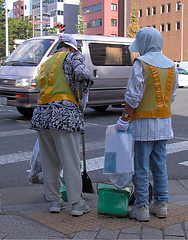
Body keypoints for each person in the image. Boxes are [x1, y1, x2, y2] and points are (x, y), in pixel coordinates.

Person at [116, 27, 179, 222]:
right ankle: (161, 205)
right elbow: (173, 96)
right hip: (164, 124)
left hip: (143, 125)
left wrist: (124, 117)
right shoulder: (172, 65)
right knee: (160, 165)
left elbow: (133, 97)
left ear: (144, 43)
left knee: (141, 166)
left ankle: (142, 207)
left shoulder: (140, 64)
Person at [30, 34, 93, 216]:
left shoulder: (45, 63)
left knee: (50, 162)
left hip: (42, 115)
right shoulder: (72, 57)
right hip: (64, 115)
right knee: (71, 161)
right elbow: (83, 74)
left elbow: (39, 86)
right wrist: (81, 98)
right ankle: (76, 203)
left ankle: (55, 202)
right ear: (72, 48)